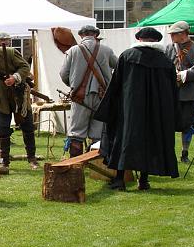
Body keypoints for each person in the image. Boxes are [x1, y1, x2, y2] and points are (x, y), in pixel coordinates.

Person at [95, 27, 180, 190]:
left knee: (124, 141)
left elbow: (116, 84)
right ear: (156, 41)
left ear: (140, 40)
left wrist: (110, 107)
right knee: (149, 141)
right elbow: (172, 91)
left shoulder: (127, 56)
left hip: (129, 110)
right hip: (156, 112)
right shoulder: (165, 61)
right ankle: (143, 180)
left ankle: (120, 180)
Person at [0, 31, 38, 173]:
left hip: (19, 96)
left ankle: (32, 158)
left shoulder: (9, 53)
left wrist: (15, 77)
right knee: (2, 129)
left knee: (27, 127)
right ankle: (5, 161)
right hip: (0, 99)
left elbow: (25, 67)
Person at [59, 24, 117, 157]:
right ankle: (97, 165)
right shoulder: (107, 50)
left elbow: (63, 74)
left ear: (81, 35)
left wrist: (74, 86)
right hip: (102, 97)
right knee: (98, 134)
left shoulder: (73, 50)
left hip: (80, 97)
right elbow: (119, 67)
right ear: (96, 35)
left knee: (77, 134)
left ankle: (75, 166)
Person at [164, 21, 194, 163]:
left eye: (174, 34)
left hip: (190, 94)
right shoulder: (169, 49)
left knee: (188, 125)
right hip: (172, 93)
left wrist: (185, 75)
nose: (171, 36)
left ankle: (185, 153)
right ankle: (169, 153)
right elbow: (164, 66)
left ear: (182, 34)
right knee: (168, 124)